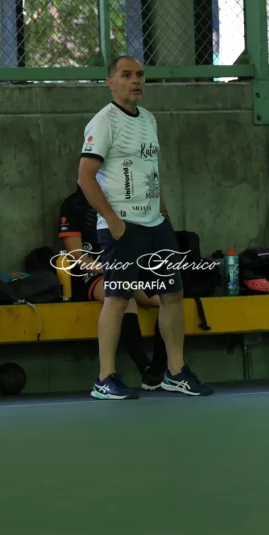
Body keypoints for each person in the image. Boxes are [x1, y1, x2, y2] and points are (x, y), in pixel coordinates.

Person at [77, 55, 213, 400]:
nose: (135, 80)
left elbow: (148, 168)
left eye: (139, 74)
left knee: (173, 294)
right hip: (123, 226)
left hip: (155, 224)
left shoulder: (149, 119)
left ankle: (175, 372)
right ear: (110, 83)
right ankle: (104, 378)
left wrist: (160, 206)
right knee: (118, 298)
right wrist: (113, 220)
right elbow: (85, 178)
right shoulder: (104, 122)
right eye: (126, 75)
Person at [58, 185, 168, 390]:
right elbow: (77, 256)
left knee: (167, 300)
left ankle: (158, 370)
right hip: (91, 273)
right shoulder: (74, 204)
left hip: (125, 269)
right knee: (123, 298)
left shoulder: (123, 201)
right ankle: (144, 368)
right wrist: (110, 269)